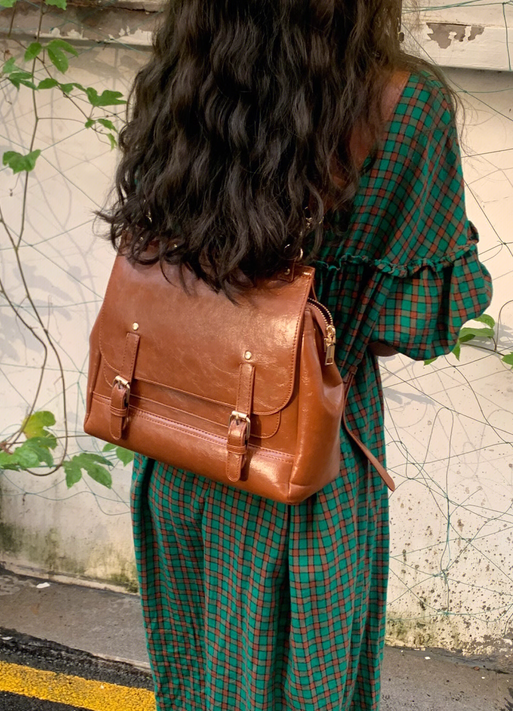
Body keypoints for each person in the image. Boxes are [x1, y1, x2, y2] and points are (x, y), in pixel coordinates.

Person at [100, 1, 492, 708]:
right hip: (304, 467)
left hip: (180, 447)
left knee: (193, 680)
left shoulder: (187, 69)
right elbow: (416, 323)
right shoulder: (401, 105)